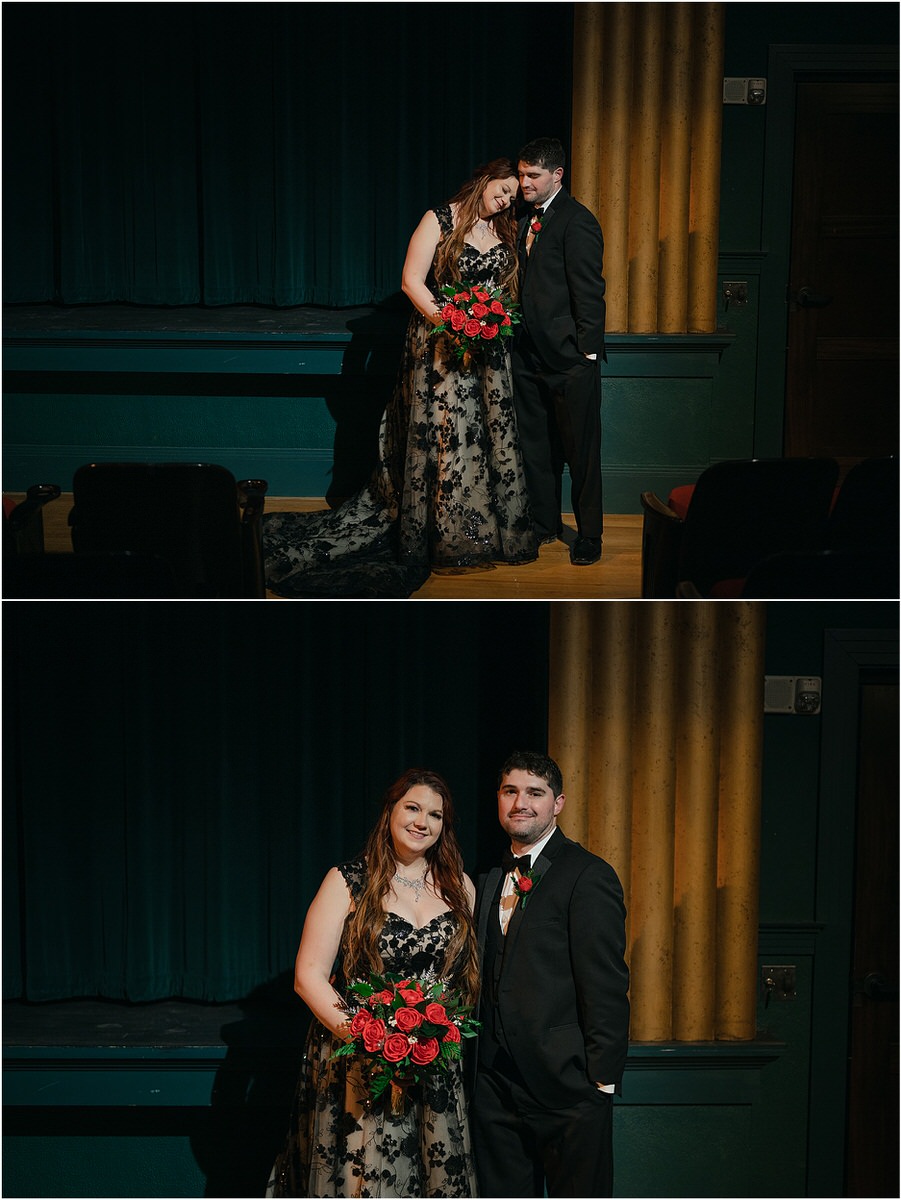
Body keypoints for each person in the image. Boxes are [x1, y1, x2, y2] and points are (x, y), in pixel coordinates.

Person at [263, 159, 538, 598]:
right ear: (484, 180)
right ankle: (441, 533)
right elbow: (412, 281)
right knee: (446, 438)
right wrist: (454, 323)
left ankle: (481, 532)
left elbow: (506, 287)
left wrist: (492, 322)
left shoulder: (503, 229)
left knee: (485, 438)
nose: (506, 200)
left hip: (488, 350)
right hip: (441, 346)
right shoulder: (439, 219)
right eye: (502, 189)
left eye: (512, 196)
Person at [267, 768, 480, 1197]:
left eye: (435, 815)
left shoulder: (460, 886)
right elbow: (308, 976)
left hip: (431, 1064)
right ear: (390, 811)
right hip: (358, 1062)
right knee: (362, 1177)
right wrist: (370, 1039)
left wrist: (433, 1037)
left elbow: (461, 981)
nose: (422, 822)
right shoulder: (347, 880)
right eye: (412, 808)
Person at [472, 751, 630, 1198]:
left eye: (535, 793)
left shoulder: (588, 874)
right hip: (494, 1087)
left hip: (568, 1088)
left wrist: (600, 1083)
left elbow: (606, 985)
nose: (520, 802)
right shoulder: (486, 875)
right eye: (510, 791)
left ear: (557, 803)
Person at [512, 137, 607, 566]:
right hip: (527, 356)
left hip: (570, 361)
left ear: (557, 175)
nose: (524, 183)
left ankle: (589, 535)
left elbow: (589, 292)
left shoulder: (577, 221)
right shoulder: (524, 218)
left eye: (533, 175)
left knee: (581, 453)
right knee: (536, 448)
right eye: (521, 174)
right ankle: (544, 524)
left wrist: (586, 354)